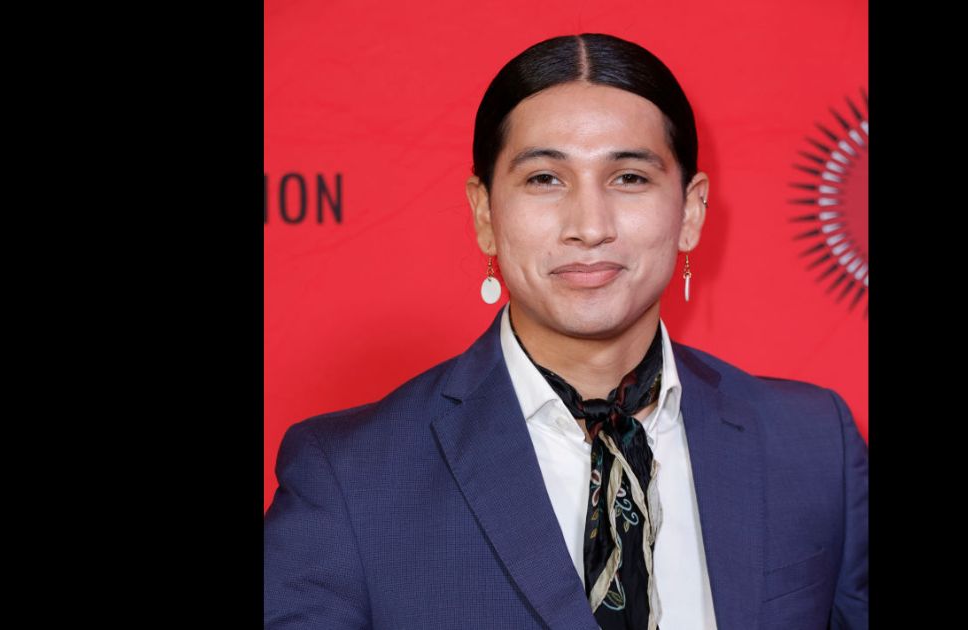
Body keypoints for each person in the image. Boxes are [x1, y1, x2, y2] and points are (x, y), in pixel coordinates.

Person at [264, 32, 868, 630]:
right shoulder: (349, 477)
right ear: (484, 215)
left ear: (690, 211)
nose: (589, 225)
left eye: (629, 177)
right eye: (544, 179)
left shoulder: (814, 447)